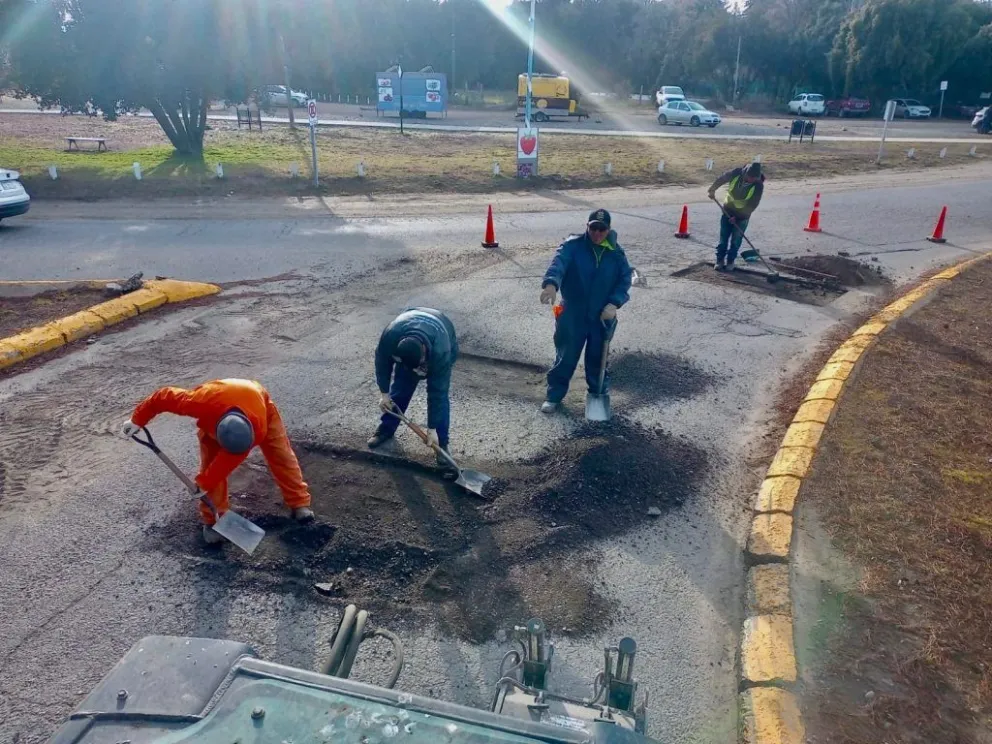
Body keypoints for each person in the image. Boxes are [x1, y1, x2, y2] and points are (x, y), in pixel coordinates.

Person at [121, 379, 314, 544]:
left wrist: (204, 482)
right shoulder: (198, 402)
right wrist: (137, 420)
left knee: (281, 456)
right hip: (217, 404)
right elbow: (161, 397)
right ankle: (213, 521)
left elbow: (227, 462)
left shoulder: (258, 430)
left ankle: (299, 503)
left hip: (258, 401)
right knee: (210, 463)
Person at [539, 208, 632, 413]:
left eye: (602, 229)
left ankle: (597, 400)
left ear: (609, 230)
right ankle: (554, 396)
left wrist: (614, 303)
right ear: (587, 226)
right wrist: (551, 284)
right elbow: (559, 263)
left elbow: (625, 280)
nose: (597, 233)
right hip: (573, 313)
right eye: (593, 228)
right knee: (565, 356)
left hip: (602, 316)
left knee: (598, 359)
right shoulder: (573, 246)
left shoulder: (616, 253)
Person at [368, 308, 459, 475]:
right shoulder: (391, 336)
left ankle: (441, 443)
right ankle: (386, 428)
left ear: (424, 352)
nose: (418, 371)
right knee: (402, 385)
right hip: (411, 322)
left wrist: (431, 429)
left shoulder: (441, 351)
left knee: (440, 396)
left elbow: (437, 393)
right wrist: (384, 393)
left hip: (443, 333)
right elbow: (382, 362)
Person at [707, 161, 765, 271]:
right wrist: (712, 189)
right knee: (723, 239)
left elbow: (752, 205)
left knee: (736, 240)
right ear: (745, 173)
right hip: (727, 211)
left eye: (754, 178)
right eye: (750, 177)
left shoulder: (758, 185)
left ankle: (730, 261)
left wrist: (738, 217)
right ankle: (720, 260)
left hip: (742, 217)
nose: (751, 180)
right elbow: (722, 179)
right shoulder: (736, 173)